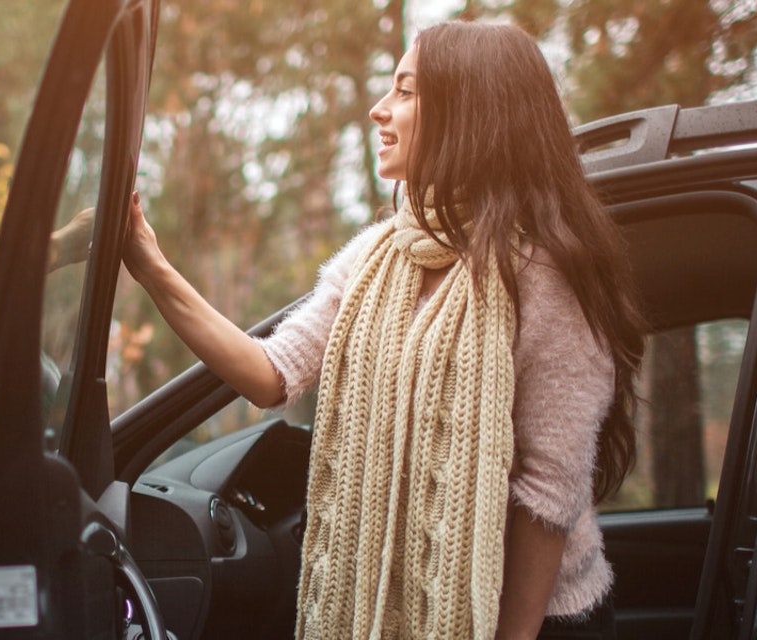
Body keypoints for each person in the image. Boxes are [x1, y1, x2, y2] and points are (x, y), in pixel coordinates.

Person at [121, 20, 645, 640]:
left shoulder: (543, 274)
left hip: (536, 620)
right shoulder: (377, 256)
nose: (378, 109)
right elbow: (270, 373)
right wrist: (151, 268)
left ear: (467, 112)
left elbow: (547, 494)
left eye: (405, 91)